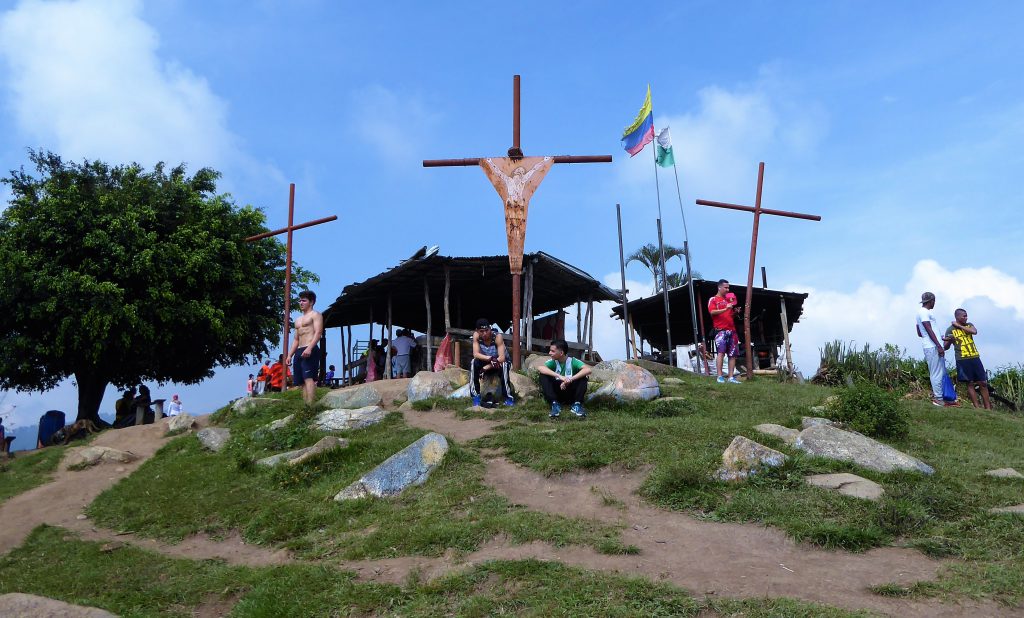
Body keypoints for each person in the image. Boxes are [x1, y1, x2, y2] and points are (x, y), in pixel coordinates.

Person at [943, 308, 991, 409]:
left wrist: (959, 326)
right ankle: (977, 408)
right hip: (962, 359)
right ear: (957, 317)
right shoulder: (950, 329)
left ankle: (988, 408)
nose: (966, 317)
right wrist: (950, 340)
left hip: (974, 356)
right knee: (970, 383)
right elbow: (945, 347)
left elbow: (974, 331)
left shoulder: (969, 325)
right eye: (964, 316)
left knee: (983, 383)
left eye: (966, 316)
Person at [537, 339, 592, 418]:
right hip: (557, 392)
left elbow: (588, 370)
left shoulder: (573, 361)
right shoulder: (553, 362)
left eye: (552, 351)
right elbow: (540, 368)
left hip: (570, 392)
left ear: (561, 353)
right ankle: (555, 404)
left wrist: (570, 379)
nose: (550, 353)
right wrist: (560, 377)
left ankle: (577, 405)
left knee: (583, 376)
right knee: (543, 375)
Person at [287, 290, 325, 406]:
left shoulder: (316, 315)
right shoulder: (298, 320)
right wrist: (289, 355)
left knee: (309, 378)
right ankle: (306, 406)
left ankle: (311, 405)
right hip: (299, 350)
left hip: (310, 348)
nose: (301, 303)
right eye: (300, 300)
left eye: (304, 300)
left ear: (311, 302)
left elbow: (318, 333)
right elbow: (296, 339)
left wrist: (309, 348)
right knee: (301, 381)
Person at [470, 318, 514, 407]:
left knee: (504, 364)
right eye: (481, 331)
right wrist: (490, 358)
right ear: (477, 331)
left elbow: (502, 358)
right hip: (488, 360)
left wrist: (487, 367)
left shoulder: (497, 337)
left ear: (490, 328)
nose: (485, 333)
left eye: (487, 330)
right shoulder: (476, 336)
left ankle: (509, 398)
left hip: (499, 362)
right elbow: (476, 354)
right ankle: (476, 396)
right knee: (473, 362)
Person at [916, 292, 949, 407]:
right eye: (934, 301)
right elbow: (928, 329)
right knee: (936, 373)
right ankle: (938, 399)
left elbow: (919, 332)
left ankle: (941, 397)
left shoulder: (920, 313)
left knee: (939, 371)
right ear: (931, 301)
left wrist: (941, 338)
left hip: (931, 344)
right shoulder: (924, 313)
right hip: (932, 346)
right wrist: (938, 345)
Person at [708, 279, 741, 384]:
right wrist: (725, 308)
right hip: (720, 331)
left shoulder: (729, 300)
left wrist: (735, 312)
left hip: (732, 330)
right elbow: (712, 312)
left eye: (728, 287)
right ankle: (719, 377)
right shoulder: (713, 299)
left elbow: (729, 315)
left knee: (732, 354)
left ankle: (731, 377)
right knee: (721, 353)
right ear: (719, 287)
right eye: (726, 287)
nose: (728, 289)